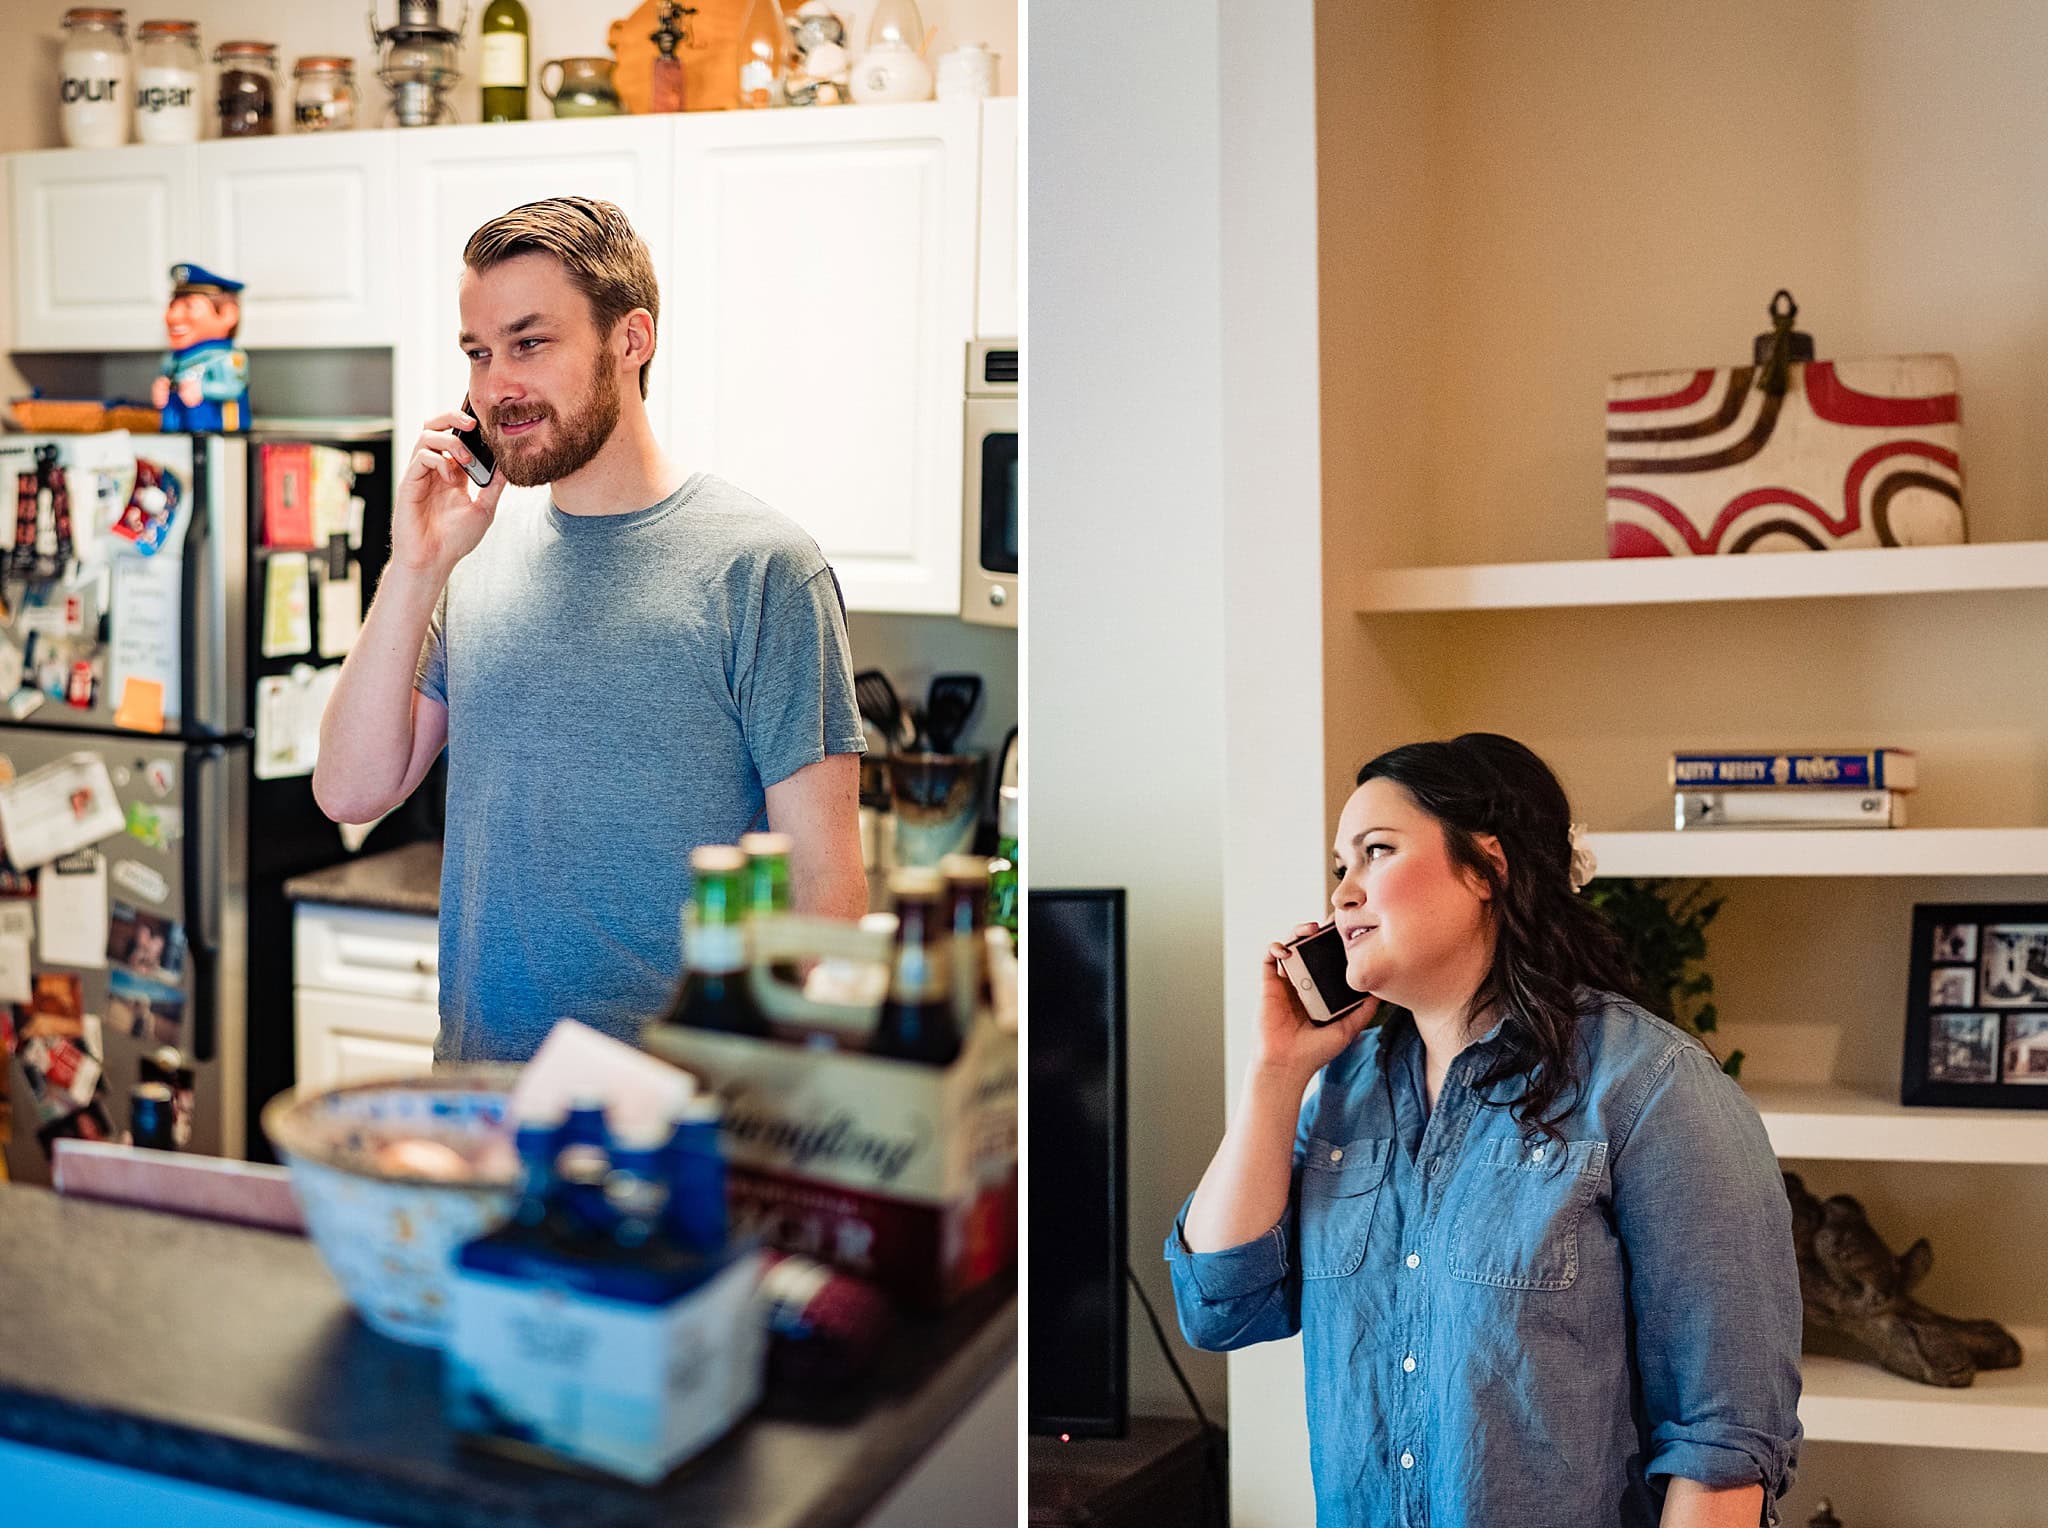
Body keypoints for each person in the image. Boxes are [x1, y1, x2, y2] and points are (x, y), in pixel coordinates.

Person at [1165, 733, 1802, 1528]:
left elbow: (1724, 1441)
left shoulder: (1652, 1088)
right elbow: (1221, 1304)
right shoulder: (1346, 1091)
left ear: (1487, 869)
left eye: (1376, 852)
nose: (1343, 895)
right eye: (1340, 867)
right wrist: (1275, 1073)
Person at [312, 196, 868, 1063]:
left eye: (530, 343)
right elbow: (349, 791)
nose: (497, 386)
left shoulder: (763, 569)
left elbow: (825, 895)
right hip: (478, 1103)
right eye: (478, 352)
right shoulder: (470, 558)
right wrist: (415, 565)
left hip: (676, 1130)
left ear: (631, 340)